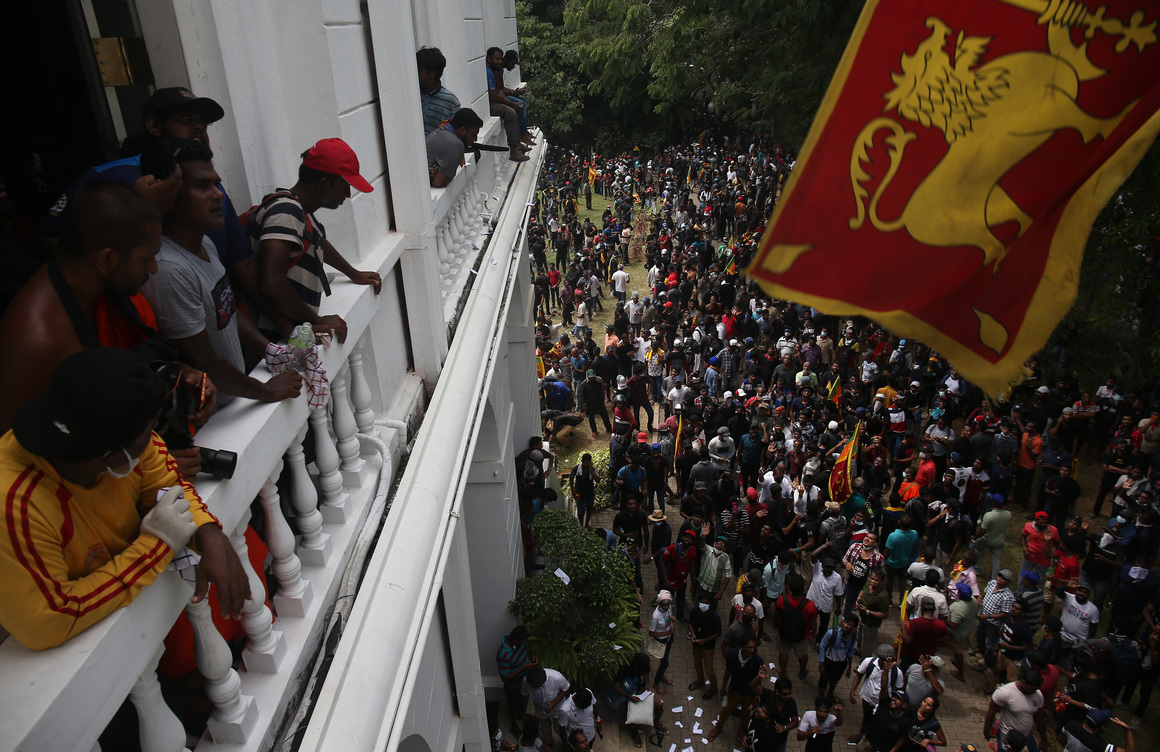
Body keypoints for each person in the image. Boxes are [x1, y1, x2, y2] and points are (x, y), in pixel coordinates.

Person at [0, 348, 249, 649]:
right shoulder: (16, 506)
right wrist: (157, 543)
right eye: (150, 429)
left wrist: (208, 531)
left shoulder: (109, 432)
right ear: (113, 454)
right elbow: (49, 619)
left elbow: (166, 485)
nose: (155, 437)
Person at [0, 181, 212, 477]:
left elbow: (114, 380)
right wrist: (143, 469)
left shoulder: (102, 293)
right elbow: (21, 462)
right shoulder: (39, 338)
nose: (153, 269)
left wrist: (181, 373)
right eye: (146, 258)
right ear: (107, 259)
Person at [142, 139, 303, 404]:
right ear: (169, 195)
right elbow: (201, 359)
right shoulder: (170, 270)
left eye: (216, 184)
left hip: (236, 397)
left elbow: (223, 309)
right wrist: (264, 391)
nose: (217, 194)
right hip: (210, 417)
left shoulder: (204, 242)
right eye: (201, 186)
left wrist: (269, 350)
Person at [248, 138, 383, 343]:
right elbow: (271, 283)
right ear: (322, 184)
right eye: (344, 185)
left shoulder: (301, 212)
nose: (347, 194)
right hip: (274, 339)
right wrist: (316, 320)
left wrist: (353, 273)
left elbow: (317, 241)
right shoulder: (285, 212)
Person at [706, 636, 767, 746]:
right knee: (726, 710)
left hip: (749, 693)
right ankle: (718, 727)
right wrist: (724, 687)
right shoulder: (732, 654)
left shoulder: (757, 660)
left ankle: (740, 733)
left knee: (745, 713)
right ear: (742, 647)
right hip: (734, 689)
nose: (752, 650)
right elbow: (728, 671)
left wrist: (757, 696)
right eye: (749, 647)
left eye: (754, 647)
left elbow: (759, 680)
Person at [847, 644, 906, 747]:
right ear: (878, 656)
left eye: (888, 659)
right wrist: (852, 690)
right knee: (866, 718)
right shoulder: (868, 662)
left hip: (883, 704)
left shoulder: (897, 672)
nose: (885, 662)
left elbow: (899, 689)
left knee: (878, 722)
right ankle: (862, 736)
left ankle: (873, 740)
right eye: (882, 659)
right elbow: (859, 674)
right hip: (867, 698)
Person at [486, 47, 532, 163]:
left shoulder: (494, 71)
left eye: (500, 59)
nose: (499, 62)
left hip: (494, 100)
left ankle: (518, 142)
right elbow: (494, 95)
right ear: (489, 58)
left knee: (517, 104)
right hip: (488, 104)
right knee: (510, 112)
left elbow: (499, 91)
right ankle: (514, 149)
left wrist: (513, 94)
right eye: (497, 59)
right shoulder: (488, 71)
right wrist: (511, 103)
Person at [984, 673, 1048, 752]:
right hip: (1008, 737)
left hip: (1027, 735)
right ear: (1024, 682)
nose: (1034, 692)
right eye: (1032, 689)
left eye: (1036, 689)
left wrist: (1044, 740)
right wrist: (987, 731)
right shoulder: (1004, 693)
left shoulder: (1037, 695)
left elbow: (1039, 718)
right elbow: (991, 713)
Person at [426, 107, 486, 187]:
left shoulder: (442, 131)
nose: (475, 139)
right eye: (473, 134)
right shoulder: (455, 145)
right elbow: (439, 182)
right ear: (462, 130)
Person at [774, 574, 817, 681]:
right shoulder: (810, 605)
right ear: (803, 589)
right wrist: (813, 631)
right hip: (802, 635)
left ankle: (783, 672)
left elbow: (777, 616)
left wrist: (778, 625)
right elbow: (812, 622)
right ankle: (802, 671)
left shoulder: (781, 600)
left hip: (784, 633)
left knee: (784, 652)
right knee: (802, 654)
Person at [498, 625, 539, 734]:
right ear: (515, 641)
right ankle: (514, 726)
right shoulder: (504, 654)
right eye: (521, 643)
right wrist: (523, 667)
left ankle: (523, 715)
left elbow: (527, 645)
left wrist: (533, 654)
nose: (523, 644)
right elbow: (505, 678)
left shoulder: (521, 642)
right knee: (513, 706)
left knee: (523, 700)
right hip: (513, 685)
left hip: (524, 681)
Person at [522, 665, 570, 746]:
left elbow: (566, 688)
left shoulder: (556, 677)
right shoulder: (526, 681)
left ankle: (567, 744)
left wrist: (553, 704)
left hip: (557, 707)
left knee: (558, 728)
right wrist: (524, 713)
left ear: (543, 681)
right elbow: (524, 695)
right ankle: (549, 745)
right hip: (540, 709)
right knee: (545, 730)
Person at [416, 47, 461, 134]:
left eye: (419, 70)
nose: (415, 72)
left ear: (432, 72)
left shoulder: (450, 101)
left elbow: (457, 133)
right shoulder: (412, 94)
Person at [688, 591, 722, 699]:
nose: (703, 605)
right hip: (696, 644)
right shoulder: (694, 612)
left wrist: (706, 640)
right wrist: (693, 634)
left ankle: (714, 688)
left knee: (709, 669)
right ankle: (700, 680)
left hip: (708, 647)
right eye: (702, 602)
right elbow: (691, 623)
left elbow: (718, 633)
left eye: (706, 603)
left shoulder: (714, 617)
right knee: (697, 662)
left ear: (710, 604)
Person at [817, 616, 859, 702]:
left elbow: (850, 651)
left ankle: (830, 694)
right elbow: (822, 646)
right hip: (828, 661)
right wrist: (821, 663)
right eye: (845, 622)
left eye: (849, 625)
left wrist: (849, 667)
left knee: (835, 680)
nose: (846, 625)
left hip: (841, 663)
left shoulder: (853, 636)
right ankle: (821, 698)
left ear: (854, 628)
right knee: (823, 680)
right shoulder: (832, 633)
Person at [1058, 708, 1135, 752]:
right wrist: (1127, 730)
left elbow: (1061, 740)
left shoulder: (1071, 725)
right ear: (1101, 727)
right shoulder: (1100, 746)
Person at [976, 494, 1012, 580]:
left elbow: (982, 531)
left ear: (994, 503)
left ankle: (977, 567)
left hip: (987, 539)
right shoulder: (1008, 514)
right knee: (996, 562)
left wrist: (975, 537)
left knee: (977, 549)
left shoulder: (989, 515)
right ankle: (994, 580)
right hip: (999, 541)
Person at [648, 589, 676, 694]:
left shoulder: (668, 609)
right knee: (664, 663)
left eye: (668, 605)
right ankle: (656, 684)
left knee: (664, 661)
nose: (666, 607)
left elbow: (669, 616)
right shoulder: (656, 616)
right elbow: (651, 633)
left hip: (669, 638)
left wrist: (672, 618)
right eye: (664, 605)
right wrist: (666, 632)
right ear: (659, 604)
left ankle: (662, 676)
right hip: (661, 641)